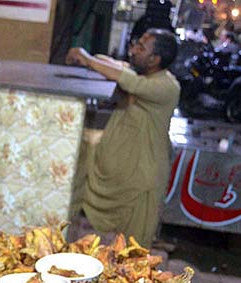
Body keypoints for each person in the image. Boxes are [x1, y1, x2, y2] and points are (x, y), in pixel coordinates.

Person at [66, 29, 180, 248]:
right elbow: (116, 66)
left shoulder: (166, 86)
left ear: (154, 59)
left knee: (134, 249)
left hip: (143, 178)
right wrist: (90, 58)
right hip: (127, 172)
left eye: (141, 47)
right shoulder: (145, 74)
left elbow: (127, 79)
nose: (134, 49)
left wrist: (88, 59)